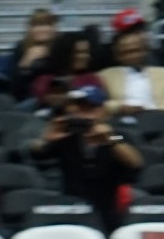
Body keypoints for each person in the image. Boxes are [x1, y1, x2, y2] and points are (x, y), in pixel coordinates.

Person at [32, 85, 141, 226]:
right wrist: (45, 139)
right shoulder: (66, 136)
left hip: (108, 210)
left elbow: (135, 162)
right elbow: (37, 155)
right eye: (78, 109)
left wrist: (109, 139)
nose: (83, 114)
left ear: (103, 111)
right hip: (73, 209)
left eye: (89, 109)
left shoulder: (117, 134)